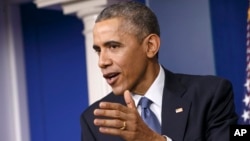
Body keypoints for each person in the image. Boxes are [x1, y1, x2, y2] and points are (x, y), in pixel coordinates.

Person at [80, 1, 238, 141]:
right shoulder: (95, 120)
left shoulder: (210, 94)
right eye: (98, 51)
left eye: (113, 46)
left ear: (150, 46)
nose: (102, 62)